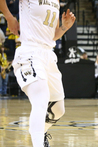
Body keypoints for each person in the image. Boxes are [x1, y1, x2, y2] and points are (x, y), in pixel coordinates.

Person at [0, 1, 76, 147]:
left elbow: (52, 36)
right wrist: (9, 17)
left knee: (58, 109)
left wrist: (64, 27)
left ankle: (39, 133)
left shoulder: (56, 1)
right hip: (29, 52)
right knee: (41, 99)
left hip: (48, 54)